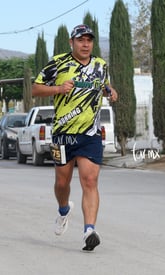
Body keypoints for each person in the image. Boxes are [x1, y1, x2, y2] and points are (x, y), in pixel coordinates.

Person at [32, 24, 118, 252]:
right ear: (72, 43)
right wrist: (59, 89)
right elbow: (35, 89)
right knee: (62, 182)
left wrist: (110, 91)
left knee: (90, 181)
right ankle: (63, 210)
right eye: (81, 40)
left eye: (89, 40)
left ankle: (89, 230)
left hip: (90, 133)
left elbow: (103, 85)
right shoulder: (58, 62)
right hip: (62, 133)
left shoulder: (101, 65)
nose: (86, 44)